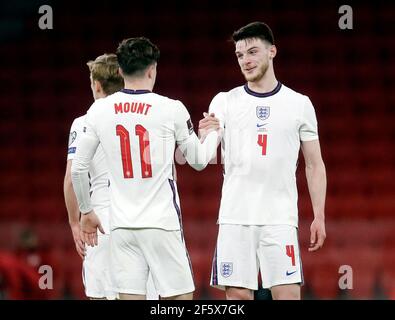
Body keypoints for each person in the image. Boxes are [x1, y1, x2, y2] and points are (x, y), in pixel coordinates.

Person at [70, 37, 220, 300]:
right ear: (153, 69)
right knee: (180, 300)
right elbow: (198, 161)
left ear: (120, 71)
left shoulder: (99, 111)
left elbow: (78, 170)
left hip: (121, 226)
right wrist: (213, 134)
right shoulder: (171, 108)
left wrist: (86, 211)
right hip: (162, 224)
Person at [200, 22, 327, 300]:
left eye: (253, 52)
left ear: (272, 51)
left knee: (288, 296)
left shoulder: (299, 103)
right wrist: (203, 136)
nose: (245, 61)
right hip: (236, 217)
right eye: (239, 55)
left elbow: (314, 164)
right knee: (238, 298)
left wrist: (319, 214)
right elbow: (204, 156)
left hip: (280, 217)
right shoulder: (224, 101)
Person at [63, 53, 158, 299]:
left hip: (100, 219)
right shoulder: (146, 116)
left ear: (96, 85)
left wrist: (75, 222)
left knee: (101, 295)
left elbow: (72, 178)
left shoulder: (83, 123)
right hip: (141, 216)